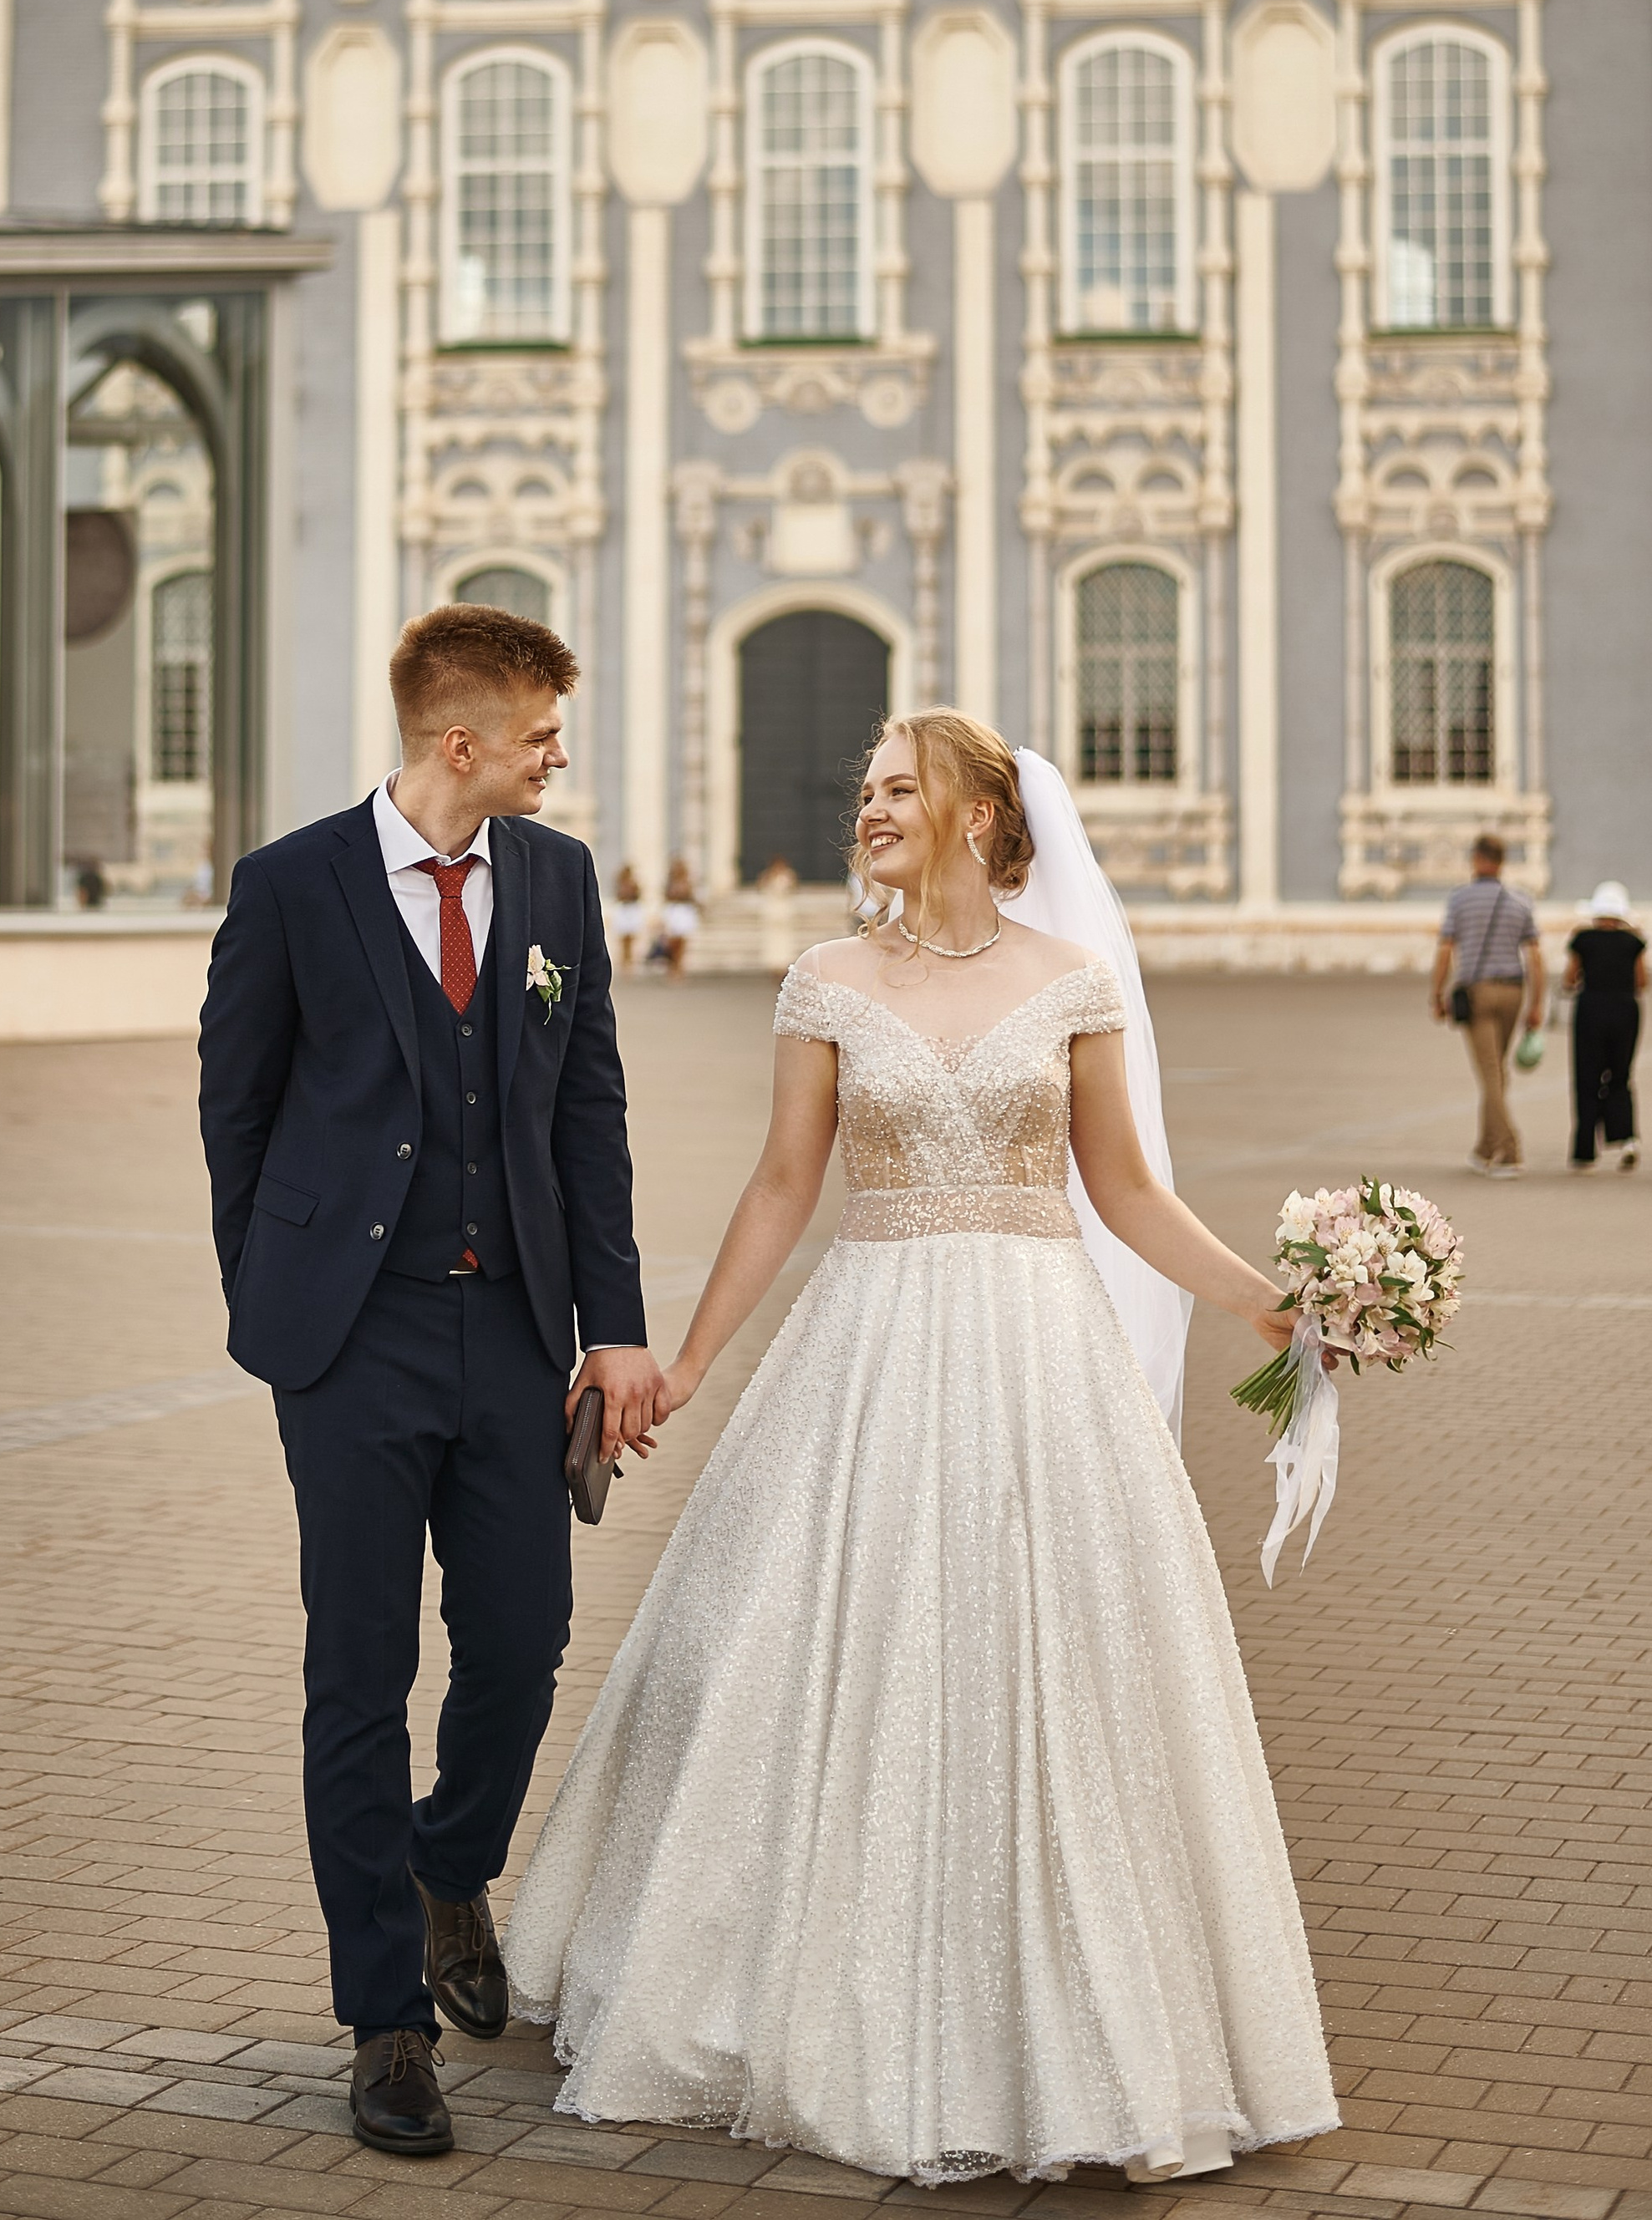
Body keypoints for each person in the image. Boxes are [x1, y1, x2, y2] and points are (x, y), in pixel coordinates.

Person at [506, 709, 1338, 2187]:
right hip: (867, 1342)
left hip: (1040, 1357)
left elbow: (1125, 1190)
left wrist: (1268, 1302)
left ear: (980, 813)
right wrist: (689, 1361)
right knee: (826, 1640)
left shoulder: (1072, 980)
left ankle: (1074, 2027)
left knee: (1048, 1660)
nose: (872, 805)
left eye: (902, 786)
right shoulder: (827, 978)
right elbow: (783, 1184)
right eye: (867, 786)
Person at [198, 604, 661, 2162]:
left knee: (522, 1641)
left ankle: (449, 1861)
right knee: (359, 1669)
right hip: (354, 1344)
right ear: (461, 741)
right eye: (541, 733)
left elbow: (588, 1110)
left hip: (516, 1331)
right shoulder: (290, 886)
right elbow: (236, 1110)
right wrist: (278, 1299)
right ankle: (384, 2017)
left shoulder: (558, 881)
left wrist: (614, 1325)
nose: (558, 756)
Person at [1431, 834, 1545, 1175]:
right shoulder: (1520, 901)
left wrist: (1437, 992)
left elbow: (1446, 949)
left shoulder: (1460, 900)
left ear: (1477, 859)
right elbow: (1535, 957)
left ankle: (1509, 1150)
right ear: (1501, 862)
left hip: (1478, 992)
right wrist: (1537, 1003)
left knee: (1490, 1073)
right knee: (1495, 1070)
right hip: (1513, 992)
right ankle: (1485, 1148)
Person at [1563, 884, 1645, 1172]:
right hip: (1625, 1010)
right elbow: (1641, 981)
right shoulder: (1633, 942)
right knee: (1620, 1075)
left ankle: (1585, 1149)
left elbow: (1569, 979)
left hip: (1591, 1010)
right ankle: (1626, 1139)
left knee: (1587, 1078)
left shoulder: (1583, 939)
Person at [658, 856, 700, 978]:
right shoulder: (670, 883)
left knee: (682, 941)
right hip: (674, 910)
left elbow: (691, 896)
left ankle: (679, 966)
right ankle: (672, 965)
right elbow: (667, 896)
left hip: (684, 911)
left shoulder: (687, 882)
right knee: (673, 941)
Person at [608, 864, 647, 973]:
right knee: (623, 938)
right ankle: (624, 962)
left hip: (631, 908)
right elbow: (618, 895)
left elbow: (638, 894)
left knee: (631, 937)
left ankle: (629, 962)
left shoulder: (634, 884)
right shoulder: (620, 883)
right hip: (623, 908)